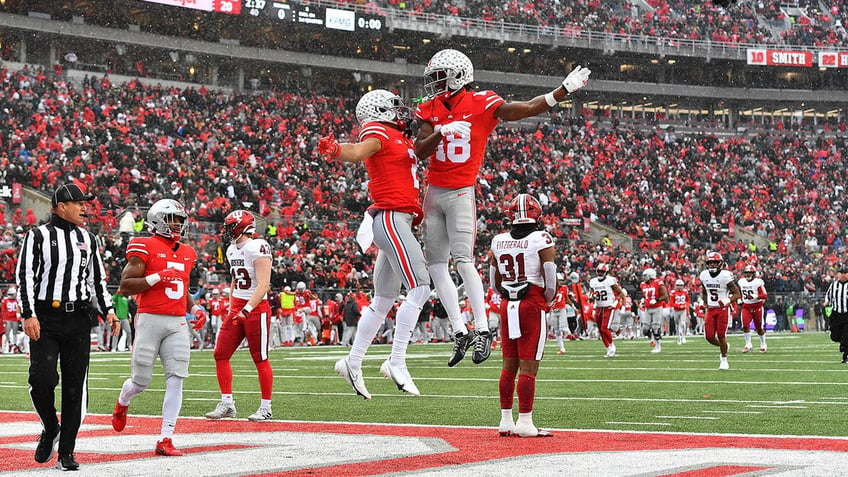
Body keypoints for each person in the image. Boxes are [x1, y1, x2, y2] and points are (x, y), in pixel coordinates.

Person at [414, 49, 591, 367]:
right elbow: (420, 150)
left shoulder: (482, 102)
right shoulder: (428, 109)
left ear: (459, 76)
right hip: (433, 192)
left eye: (440, 77)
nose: (435, 84)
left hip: (460, 191)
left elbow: (523, 109)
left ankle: (481, 329)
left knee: (463, 259)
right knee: (436, 266)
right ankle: (459, 330)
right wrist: (441, 132)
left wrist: (561, 91)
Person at [318, 89, 432, 399]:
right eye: (394, 108)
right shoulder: (378, 130)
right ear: (380, 111)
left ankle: (352, 362)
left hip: (400, 219)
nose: (400, 113)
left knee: (383, 299)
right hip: (392, 217)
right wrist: (336, 149)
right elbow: (357, 152)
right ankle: (396, 360)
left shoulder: (400, 135)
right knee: (421, 287)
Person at [16, 183, 119, 470]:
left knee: (75, 387)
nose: (85, 207)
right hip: (46, 317)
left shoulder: (89, 238)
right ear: (61, 206)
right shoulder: (37, 236)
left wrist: (109, 311)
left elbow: (96, 280)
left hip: (78, 319)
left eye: (86, 203)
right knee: (41, 378)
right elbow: (25, 277)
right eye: (80, 203)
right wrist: (28, 314)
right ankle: (51, 427)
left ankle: (67, 452)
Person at [110, 198, 207, 456]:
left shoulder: (187, 252)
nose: (177, 226)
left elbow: (181, 288)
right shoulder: (143, 245)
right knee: (141, 382)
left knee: (176, 379)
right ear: (157, 221)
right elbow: (127, 285)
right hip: (149, 318)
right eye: (173, 220)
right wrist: (156, 277)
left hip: (177, 322)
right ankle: (123, 401)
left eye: (180, 221)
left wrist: (195, 309)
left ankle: (166, 437)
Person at [489, 194, 556, 438]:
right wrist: (546, 299)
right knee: (529, 364)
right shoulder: (541, 238)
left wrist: (509, 294)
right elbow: (550, 276)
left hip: (508, 303)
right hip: (531, 300)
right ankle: (526, 422)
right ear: (537, 213)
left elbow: (493, 282)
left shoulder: (498, 240)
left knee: (509, 363)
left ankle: (505, 420)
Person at [205, 210, 275, 421]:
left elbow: (263, 284)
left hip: (256, 308)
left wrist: (247, 309)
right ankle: (227, 404)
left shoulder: (258, 246)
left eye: (229, 227)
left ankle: (266, 407)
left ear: (240, 227)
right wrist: (231, 304)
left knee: (260, 358)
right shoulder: (231, 249)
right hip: (237, 307)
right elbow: (236, 279)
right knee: (220, 353)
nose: (226, 231)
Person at [699, 251, 742, 370]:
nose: (712, 265)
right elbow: (704, 291)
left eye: (715, 262)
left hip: (723, 309)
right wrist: (704, 302)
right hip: (711, 309)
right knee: (709, 336)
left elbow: (737, 294)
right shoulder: (704, 275)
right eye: (710, 262)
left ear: (720, 263)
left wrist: (727, 300)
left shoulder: (725, 276)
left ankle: (724, 358)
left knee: (721, 335)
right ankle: (724, 346)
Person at [589, 263, 625, 358]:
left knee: (604, 328)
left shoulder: (610, 281)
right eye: (599, 271)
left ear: (606, 272)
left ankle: (612, 345)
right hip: (599, 307)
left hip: (608, 307)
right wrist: (592, 296)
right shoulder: (593, 281)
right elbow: (591, 295)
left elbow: (621, 293)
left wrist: (615, 302)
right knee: (601, 330)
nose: (600, 273)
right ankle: (608, 347)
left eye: (602, 272)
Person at [738, 264, 768, 353]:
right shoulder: (741, 282)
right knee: (745, 326)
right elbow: (739, 292)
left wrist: (755, 296)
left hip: (757, 306)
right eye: (746, 273)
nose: (748, 275)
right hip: (746, 306)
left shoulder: (758, 282)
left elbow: (765, 295)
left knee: (759, 327)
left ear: (754, 274)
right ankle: (748, 344)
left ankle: (763, 343)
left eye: (750, 273)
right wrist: (739, 299)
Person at [640, 268, 669, 353]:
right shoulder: (643, 284)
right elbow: (645, 296)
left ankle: (658, 345)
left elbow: (665, 296)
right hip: (648, 308)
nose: (644, 277)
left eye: (645, 275)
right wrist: (643, 300)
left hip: (657, 308)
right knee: (645, 328)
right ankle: (652, 338)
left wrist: (657, 299)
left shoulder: (658, 283)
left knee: (656, 327)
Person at [824, 267, 848, 363]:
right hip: (836, 314)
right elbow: (828, 295)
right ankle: (843, 343)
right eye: (841, 272)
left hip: (847, 314)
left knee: (846, 336)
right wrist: (826, 301)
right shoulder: (834, 285)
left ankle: (845, 356)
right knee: (834, 336)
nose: (843, 275)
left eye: (845, 273)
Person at [549, 274, 572, 354]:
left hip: (561, 310)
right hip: (553, 310)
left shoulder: (564, 288)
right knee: (557, 331)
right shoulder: (551, 288)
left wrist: (573, 306)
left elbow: (567, 298)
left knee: (563, 328)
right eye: (559, 280)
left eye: (562, 280)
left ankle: (570, 334)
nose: (561, 282)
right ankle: (562, 348)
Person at [668, 279, 691, 345]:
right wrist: (679, 306)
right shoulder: (673, 292)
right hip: (676, 310)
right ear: (675, 285)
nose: (679, 287)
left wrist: (685, 305)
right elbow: (671, 303)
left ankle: (683, 336)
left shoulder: (685, 292)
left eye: (681, 285)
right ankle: (678, 337)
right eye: (678, 285)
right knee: (677, 325)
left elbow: (688, 300)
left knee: (683, 323)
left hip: (683, 310)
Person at [2, 287, 21, 353]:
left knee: (15, 333)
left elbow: (19, 310)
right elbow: (3, 310)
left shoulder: (17, 300)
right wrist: (4, 319)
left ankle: (15, 344)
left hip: (15, 319)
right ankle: (10, 343)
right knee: (7, 333)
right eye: (9, 294)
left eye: (12, 294)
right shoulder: (5, 300)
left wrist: (19, 317)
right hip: (8, 319)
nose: (10, 295)